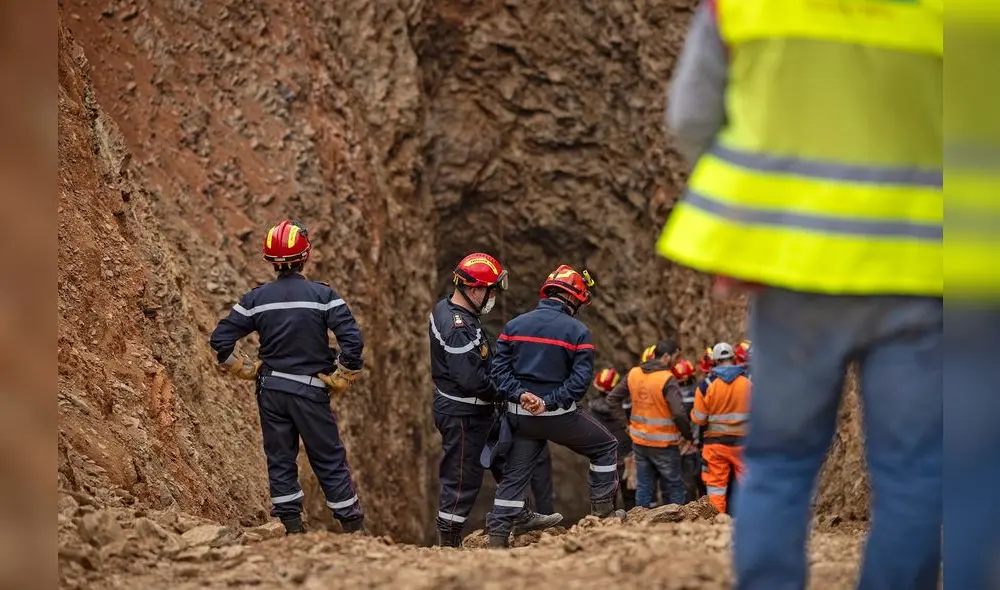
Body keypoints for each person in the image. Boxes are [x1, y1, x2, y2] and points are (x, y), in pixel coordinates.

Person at [659, 2, 941, 585]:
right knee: (914, 473)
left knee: (781, 463)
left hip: (792, 270)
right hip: (921, 265)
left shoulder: (743, 7)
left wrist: (745, 218)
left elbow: (690, 117)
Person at [210, 219, 367, 536]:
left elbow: (221, 339)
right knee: (327, 456)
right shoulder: (323, 297)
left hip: (271, 390)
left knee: (280, 456)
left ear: (270, 260)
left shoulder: (255, 300)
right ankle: (353, 527)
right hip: (309, 391)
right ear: (305, 256)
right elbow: (352, 341)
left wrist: (241, 367)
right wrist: (344, 374)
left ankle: (291, 526)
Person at [429, 253, 560, 547]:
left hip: (477, 411)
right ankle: (448, 539)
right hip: (463, 414)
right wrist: (506, 393)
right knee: (462, 476)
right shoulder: (458, 328)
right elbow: (471, 380)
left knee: (505, 458)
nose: (493, 298)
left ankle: (519, 513)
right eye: (490, 291)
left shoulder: (450, 311)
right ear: (474, 290)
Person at [486, 265, 620, 548]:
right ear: (573, 299)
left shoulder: (514, 325)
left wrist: (521, 395)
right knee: (606, 446)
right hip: (559, 417)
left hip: (521, 417)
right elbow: (580, 381)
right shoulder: (578, 331)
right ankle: (603, 512)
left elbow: (498, 372)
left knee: (514, 476)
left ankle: (498, 537)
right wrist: (548, 402)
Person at [607, 339, 695, 508]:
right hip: (664, 444)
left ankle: (642, 526)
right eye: (676, 357)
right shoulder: (667, 379)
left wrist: (627, 426)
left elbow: (612, 399)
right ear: (667, 356)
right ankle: (677, 525)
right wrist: (688, 435)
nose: (677, 362)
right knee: (674, 485)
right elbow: (678, 412)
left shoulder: (634, 373)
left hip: (640, 442)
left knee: (644, 487)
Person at [691, 343, 750, 515]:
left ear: (714, 361)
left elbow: (700, 419)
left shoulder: (706, 385)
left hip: (716, 445)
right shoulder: (747, 383)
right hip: (743, 444)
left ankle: (716, 523)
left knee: (716, 487)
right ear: (733, 358)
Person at [587, 367, 636, 510]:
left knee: (607, 496)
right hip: (627, 456)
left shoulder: (591, 410)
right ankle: (633, 524)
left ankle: (609, 523)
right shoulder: (624, 408)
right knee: (630, 496)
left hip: (603, 458)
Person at [671, 358, 703, 502]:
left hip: (676, 445)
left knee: (682, 483)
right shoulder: (698, 391)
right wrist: (694, 439)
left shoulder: (671, 394)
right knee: (699, 481)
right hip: (694, 445)